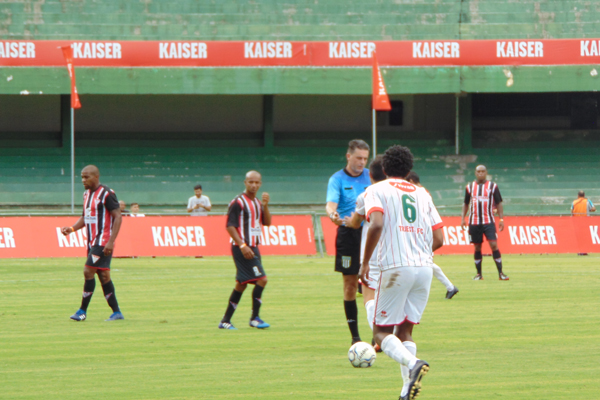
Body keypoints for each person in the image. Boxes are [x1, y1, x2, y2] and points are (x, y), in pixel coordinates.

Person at [360, 145, 443, 400]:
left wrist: (364, 263)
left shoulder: (375, 190)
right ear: (409, 170)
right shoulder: (423, 193)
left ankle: (413, 363)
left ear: (384, 169)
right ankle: (407, 390)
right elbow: (439, 238)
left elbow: (376, 224)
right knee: (405, 331)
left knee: (380, 332)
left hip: (396, 268)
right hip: (424, 270)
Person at [61, 165, 124, 322]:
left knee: (88, 271)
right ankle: (117, 312)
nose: (83, 180)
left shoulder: (106, 194)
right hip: (92, 241)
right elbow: (85, 217)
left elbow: (118, 216)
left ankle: (82, 311)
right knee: (103, 275)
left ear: (96, 176)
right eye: (82, 177)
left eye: (86, 177)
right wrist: (71, 228)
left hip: (103, 242)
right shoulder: (86, 194)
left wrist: (111, 241)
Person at [325, 139, 371, 344]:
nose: (362, 162)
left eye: (365, 159)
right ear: (348, 156)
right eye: (358, 158)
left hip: (370, 233)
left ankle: (377, 335)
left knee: (374, 283)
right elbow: (330, 205)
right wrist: (332, 215)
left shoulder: (372, 177)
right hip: (348, 235)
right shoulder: (337, 179)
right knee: (350, 285)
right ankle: (355, 337)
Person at [218, 171, 272, 330]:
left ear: (260, 184)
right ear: (245, 182)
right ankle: (255, 318)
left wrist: (266, 206)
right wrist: (242, 245)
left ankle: (225, 321)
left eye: (257, 182)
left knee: (241, 284)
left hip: (253, 247)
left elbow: (267, 223)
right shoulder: (238, 202)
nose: (254, 185)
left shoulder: (256, 202)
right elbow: (230, 226)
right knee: (262, 279)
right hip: (242, 248)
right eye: (251, 182)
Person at [343, 155, 385, 351]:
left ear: (370, 176)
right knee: (391, 298)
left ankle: (381, 339)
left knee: (369, 298)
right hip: (399, 255)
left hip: (374, 256)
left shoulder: (367, 195)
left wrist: (343, 221)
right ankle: (394, 337)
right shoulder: (404, 194)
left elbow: (355, 222)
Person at [406, 171, 459, 299]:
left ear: (411, 181)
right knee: (426, 262)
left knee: (425, 261)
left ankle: (450, 287)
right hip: (424, 232)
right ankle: (450, 287)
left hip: (424, 233)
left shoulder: (420, 193)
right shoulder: (424, 192)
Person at [461, 165, 509, 281]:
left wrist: (501, 219)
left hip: (489, 221)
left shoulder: (493, 186)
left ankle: (501, 273)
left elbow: (499, 203)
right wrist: (463, 218)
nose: (481, 173)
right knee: (477, 247)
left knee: (493, 245)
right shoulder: (470, 187)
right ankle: (479, 274)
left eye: (483, 171)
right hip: (474, 222)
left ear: (486, 172)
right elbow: (466, 203)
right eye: (478, 171)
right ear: (475, 173)